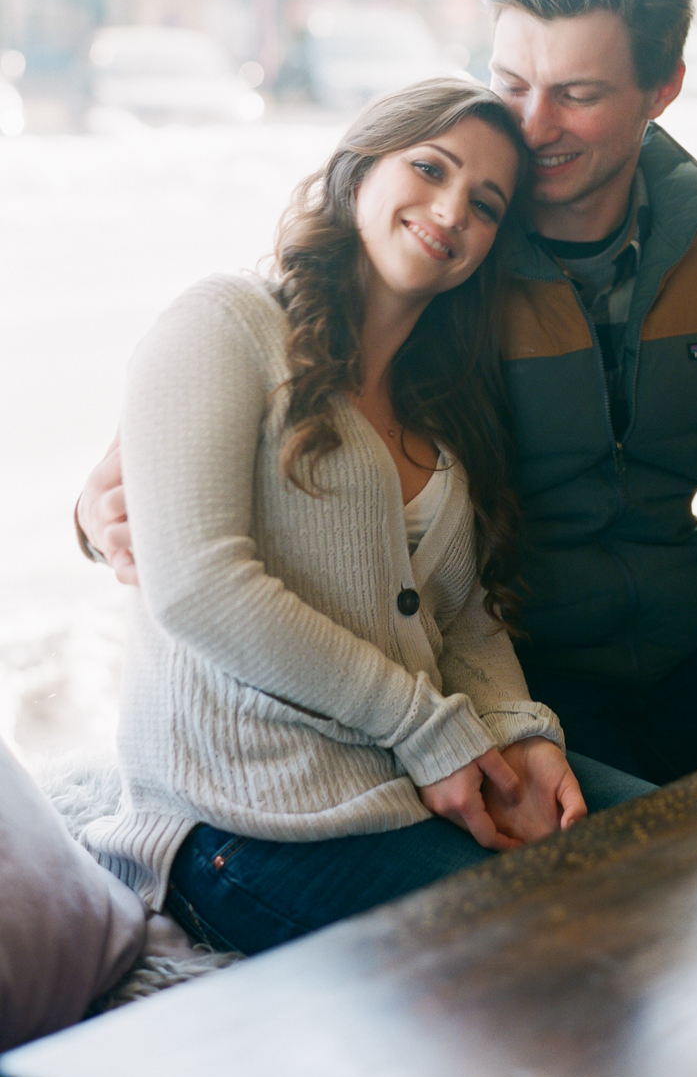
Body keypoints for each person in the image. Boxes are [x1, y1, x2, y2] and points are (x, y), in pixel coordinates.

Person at [79, 0, 697, 788]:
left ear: (659, 91)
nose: (531, 125)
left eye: (578, 94)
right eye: (511, 84)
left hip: (678, 661)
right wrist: (97, 501)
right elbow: (283, 322)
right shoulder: (451, 243)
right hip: (505, 676)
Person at [81, 80, 652, 958]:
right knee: (562, 949)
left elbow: (463, 619)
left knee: (683, 853)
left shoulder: (445, 405)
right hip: (243, 826)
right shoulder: (224, 321)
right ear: (357, 171)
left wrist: (520, 736)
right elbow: (198, 586)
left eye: (486, 203)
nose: (451, 209)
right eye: (429, 167)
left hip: (406, 779)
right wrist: (432, 734)